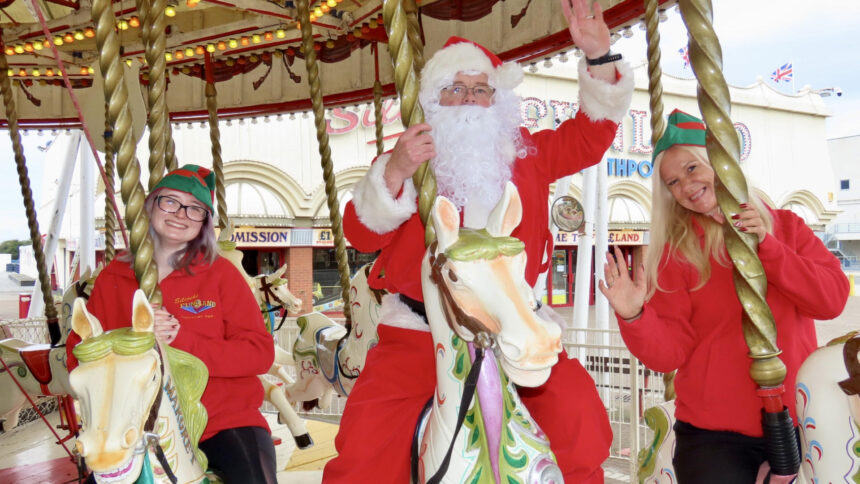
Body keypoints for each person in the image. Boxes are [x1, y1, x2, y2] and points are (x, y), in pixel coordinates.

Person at [324, 0, 634, 481]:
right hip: (420, 333)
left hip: (512, 325)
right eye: (455, 90)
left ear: (498, 101)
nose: (469, 99)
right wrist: (397, 171)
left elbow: (590, 138)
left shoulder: (528, 157)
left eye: (480, 90)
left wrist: (599, 57)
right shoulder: (411, 161)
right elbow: (361, 232)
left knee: (578, 419)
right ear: (433, 102)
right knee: (365, 448)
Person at [599, 109, 849, 483]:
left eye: (691, 168)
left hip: (794, 422)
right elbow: (670, 354)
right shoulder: (677, 253)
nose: (685, 186)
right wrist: (634, 316)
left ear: (720, 161)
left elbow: (831, 301)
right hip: (715, 434)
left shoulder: (787, 228)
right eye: (671, 182)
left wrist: (767, 246)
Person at [66, 164, 277, 484]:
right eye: (170, 201)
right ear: (150, 207)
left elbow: (259, 353)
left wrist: (181, 339)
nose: (181, 214)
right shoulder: (113, 278)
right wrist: (131, 341)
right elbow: (78, 354)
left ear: (205, 222)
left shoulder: (221, 275)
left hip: (222, 420)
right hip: (134, 428)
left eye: (195, 209)